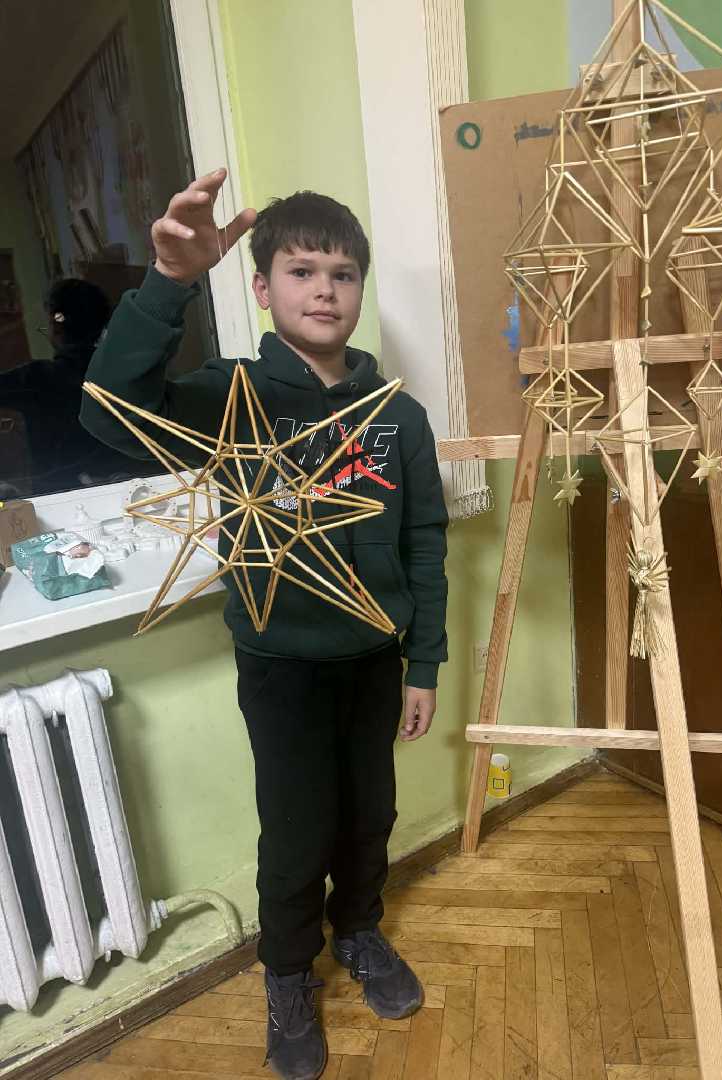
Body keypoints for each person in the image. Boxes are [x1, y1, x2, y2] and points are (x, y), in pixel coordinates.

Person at [80, 169, 449, 1080]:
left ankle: (358, 931)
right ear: (261, 287)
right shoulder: (228, 398)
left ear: (360, 289)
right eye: (301, 271)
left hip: (376, 659)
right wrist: (168, 284)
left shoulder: (398, 417)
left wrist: (424, 664)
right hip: (281, 665)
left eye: (343, 273)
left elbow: (425, 542)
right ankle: (287, 973)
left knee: (369, 814)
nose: (325, 289)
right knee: (295, 830)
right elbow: (107, 412)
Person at [0, 278, 138, 496]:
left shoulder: (38, 379)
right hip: (128, 492)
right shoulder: (127, 373)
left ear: (56, 325)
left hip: (58, 500)